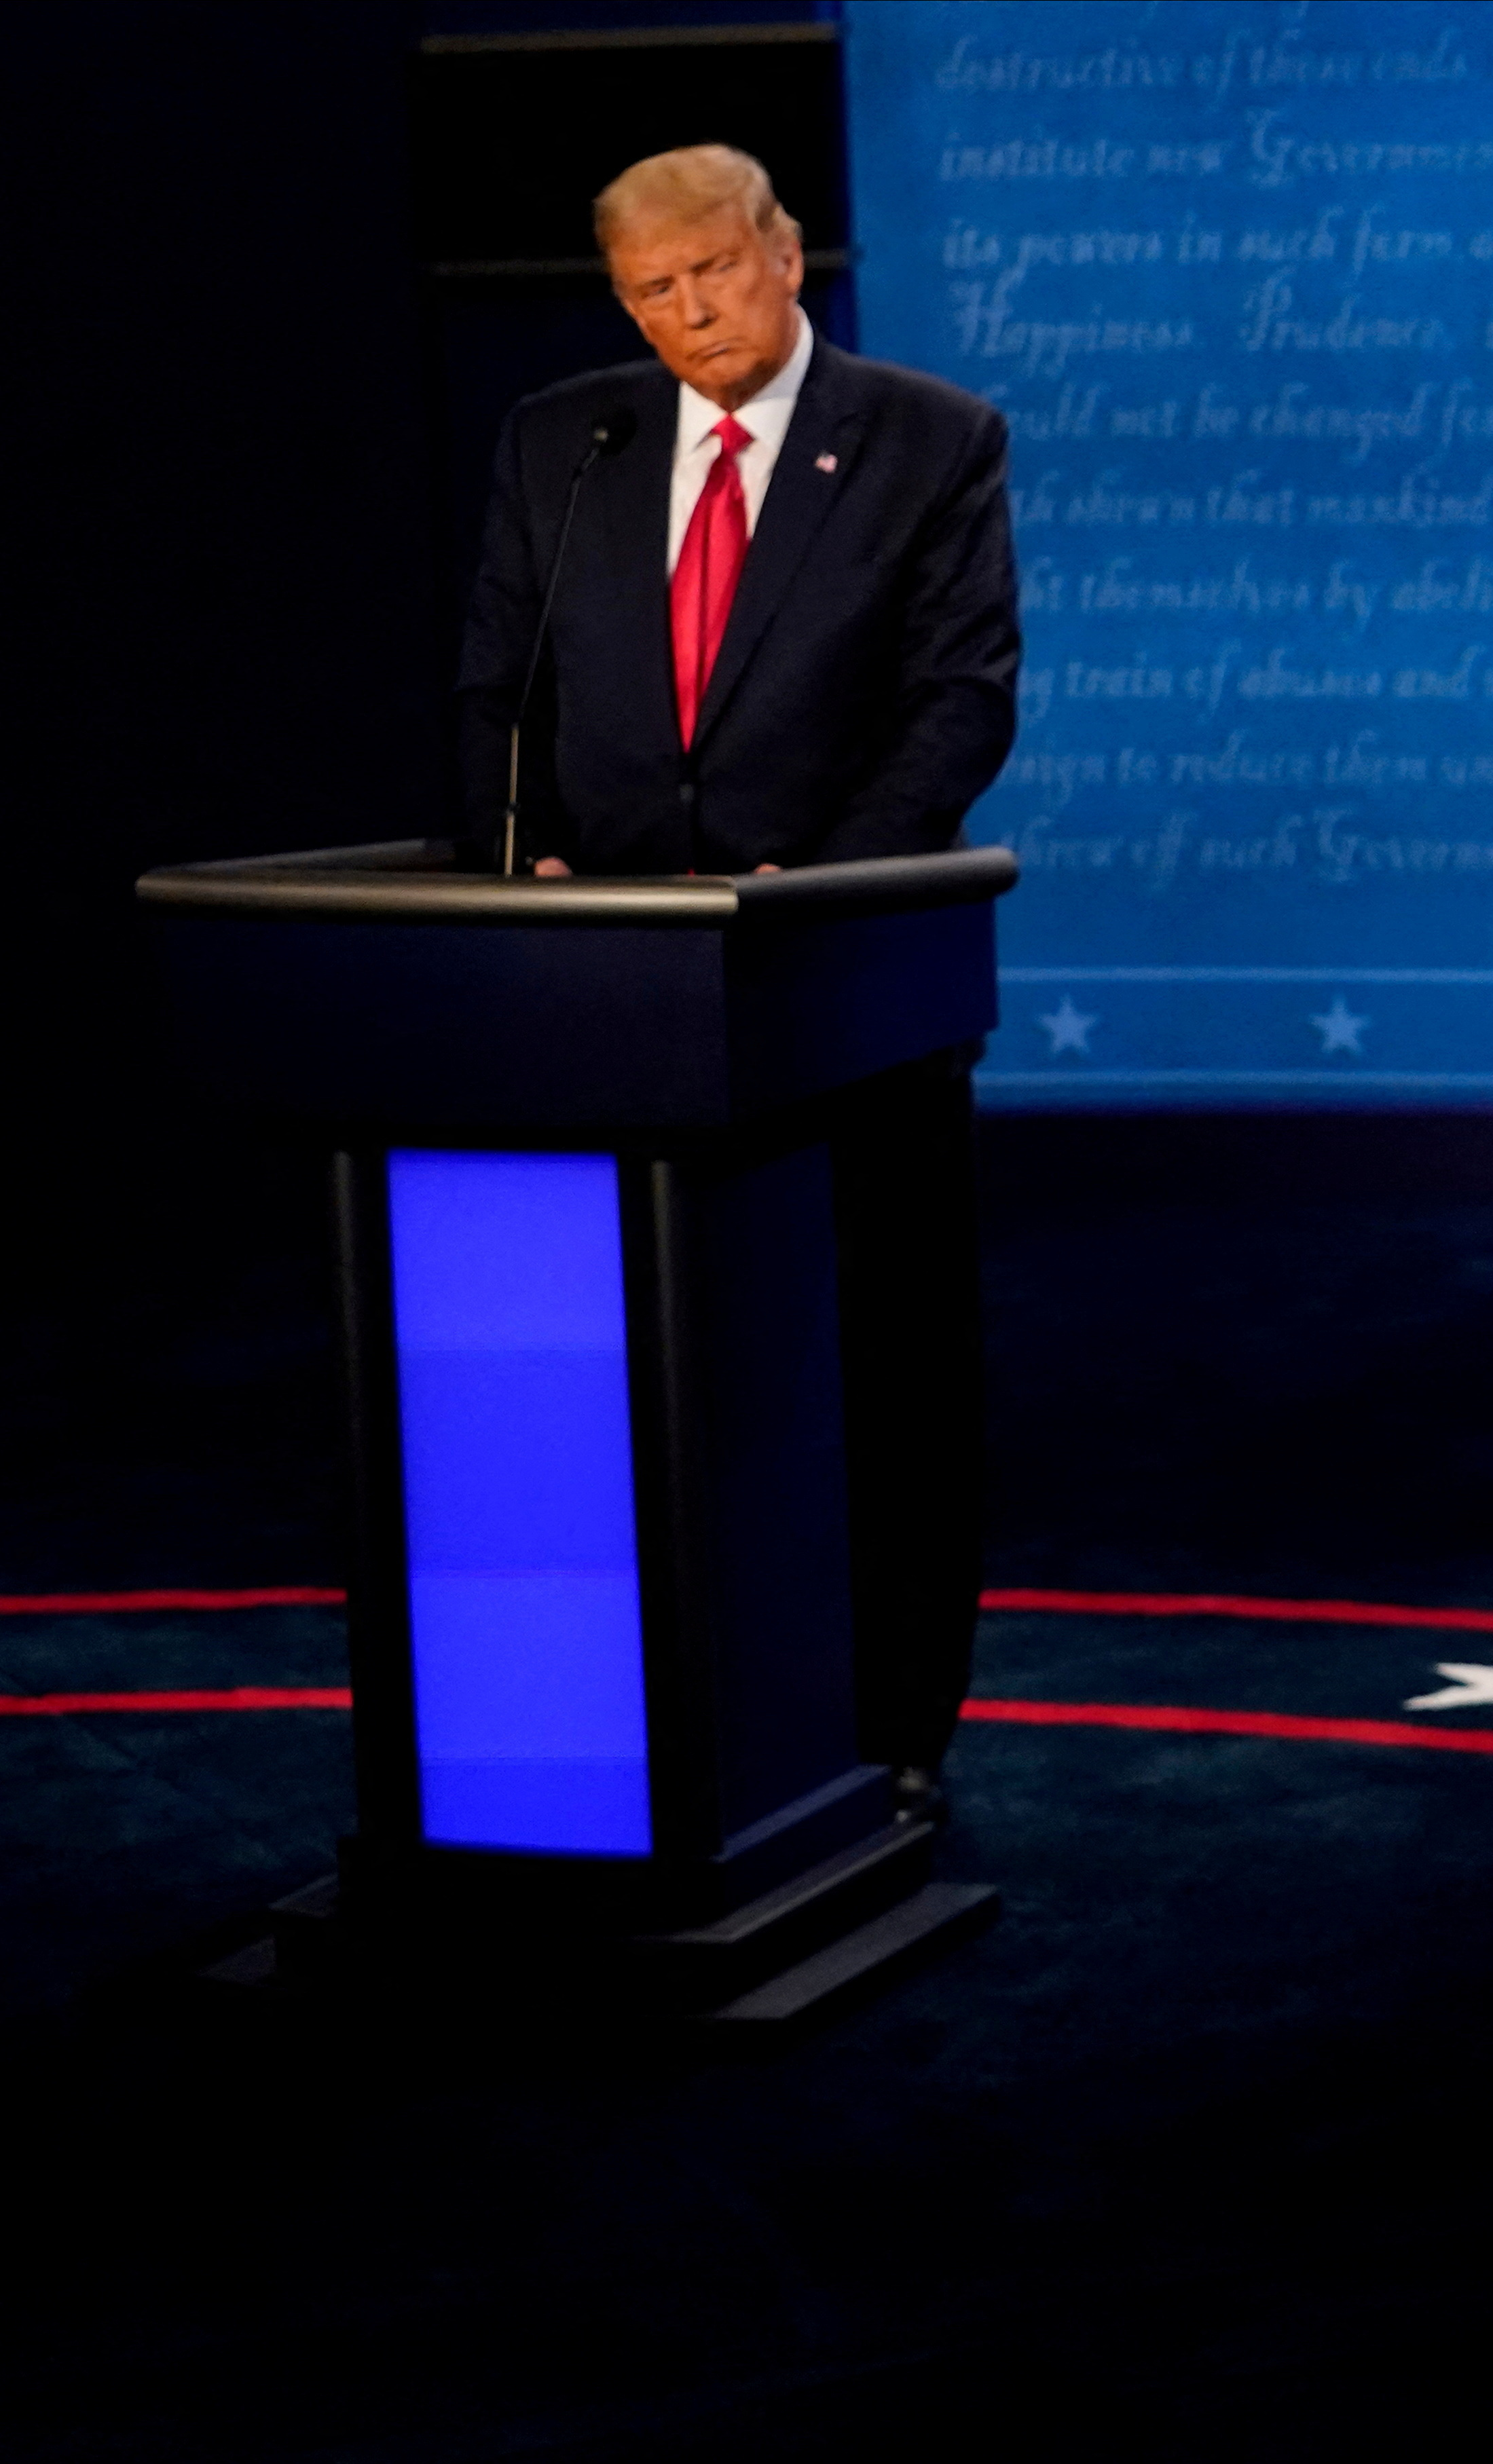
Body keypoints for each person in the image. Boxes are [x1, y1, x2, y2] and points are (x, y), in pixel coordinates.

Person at [455, 144, 1019, 1806]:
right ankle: (654, 1718)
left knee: (881, 1377)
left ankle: (896, 1730)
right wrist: (520, 869)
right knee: (637, 1385)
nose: (689, 312)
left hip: (842, 990)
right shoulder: (569, 441)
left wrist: (814, 890)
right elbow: (501, 682)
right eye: (651, 290)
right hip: (607, 998)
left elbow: (958, 703)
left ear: (783, 252)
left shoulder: (931, 440)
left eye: (713, 269)